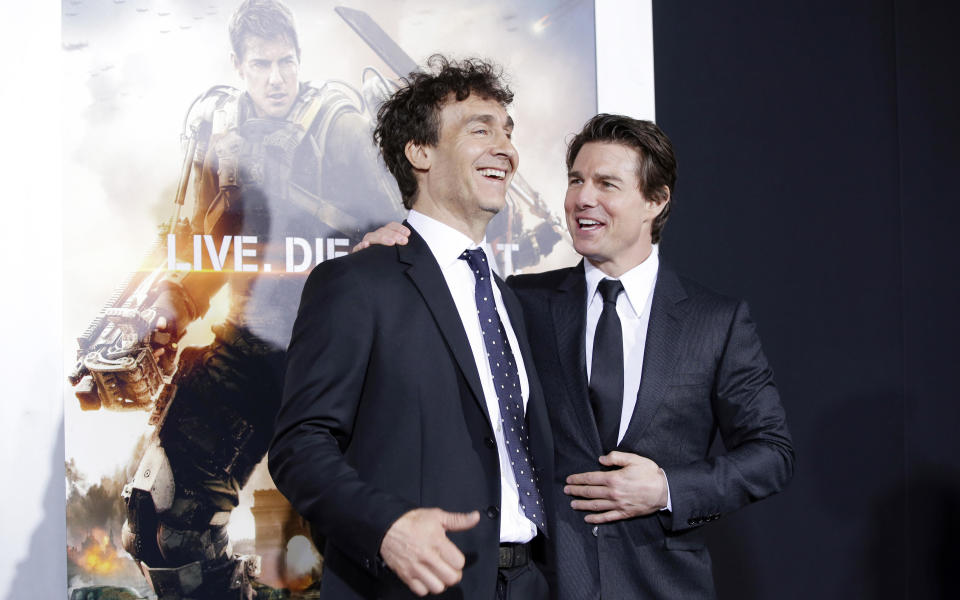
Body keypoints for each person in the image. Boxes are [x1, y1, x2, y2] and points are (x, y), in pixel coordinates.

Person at [360, 114, 795, 598]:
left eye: (606, 183)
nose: (583, 198)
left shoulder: (717, 322)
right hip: (550, 584)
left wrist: (667, 488)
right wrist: (391, 261)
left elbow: (772, 454)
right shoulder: (518, 302)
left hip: (663, 585)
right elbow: (434, 315)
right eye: (575, 180)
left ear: (656, 200)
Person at [104, 1, 403, 598]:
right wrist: (156, 322)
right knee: (160, 518)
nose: (276, 78)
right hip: (247, 348)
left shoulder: (338, 126)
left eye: (286, 63)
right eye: (262, 64)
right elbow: (198, 253)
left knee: (370, 534)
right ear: (238, 65)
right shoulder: (217, 132)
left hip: (335, 357)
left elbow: (404, 230)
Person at [269, 55, 554, 600]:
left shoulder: (510, 301)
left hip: (530, 584)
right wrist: (387, 528)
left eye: (508, 132)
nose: (506, 149)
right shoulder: (356, 282)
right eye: (480, 129)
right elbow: (299, 446)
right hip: (413, 588)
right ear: (420, 152)